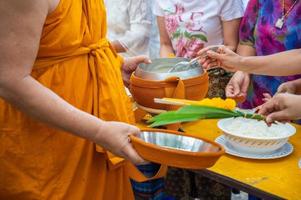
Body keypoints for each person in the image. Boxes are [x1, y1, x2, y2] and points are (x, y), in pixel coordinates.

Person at [0, 0, 154, 199]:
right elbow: (10, 80)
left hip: (96, 133)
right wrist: (98, 130)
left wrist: (115, 65)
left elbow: (72, 42)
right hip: (49, 144)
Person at [152, 0, 244, 199]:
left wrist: (207, 64)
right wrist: (173, 74)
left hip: (214, 82)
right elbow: (166, 45)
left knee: (209, 155)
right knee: (177, 151)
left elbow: (232, 45)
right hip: (178, 83)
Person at [206, 0, 301, 108]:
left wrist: (242, 64)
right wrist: (242, 72)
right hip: (254, 92)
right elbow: (247, 40)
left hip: (295, 100)